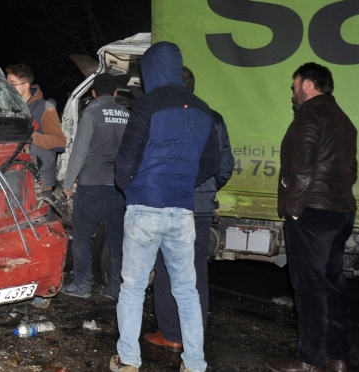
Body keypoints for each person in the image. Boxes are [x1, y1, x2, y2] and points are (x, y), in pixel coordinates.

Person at [110, 42, 220, 372]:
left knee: (132, 287)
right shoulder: (203, 109)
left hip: (145, 206)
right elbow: (212, 162)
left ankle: (129, 360)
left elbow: (126, 159)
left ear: (151, 69)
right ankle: (195, 363)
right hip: (182, 210)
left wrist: (132, 185)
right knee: (187, 290)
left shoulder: (147, 105)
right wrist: (183, 181)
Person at [265, 63, 357, 372]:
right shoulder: (343, 120)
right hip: (341, 211)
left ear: (306, 83)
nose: (292, 92)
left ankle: (308, 360)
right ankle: (338, 357)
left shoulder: (309, 115)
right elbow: (350, 170)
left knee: (309, 287)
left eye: (294, 86)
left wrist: (293, 210)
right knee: (333, 285)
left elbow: (302, 167)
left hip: (312, 211)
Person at [144, 66, 234, 352]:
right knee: (197, 272)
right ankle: (194, 336)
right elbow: (225, 165)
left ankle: (171, 334)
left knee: (167, 269)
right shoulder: (213, 117)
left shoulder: (162, 117)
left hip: (170, 204)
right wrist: (206, 189)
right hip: (201, 206)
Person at [60, 72, 128, 301]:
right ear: (116, 93)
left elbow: (79, 152)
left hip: (92, 185)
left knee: (80, 238)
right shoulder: (127, 115)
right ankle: (115, 288)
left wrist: (68, 183)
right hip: (119, 188)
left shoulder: (91, 113)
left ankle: (82, 285)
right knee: (117, 239)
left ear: (93, 92)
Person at [6, 64, 66, 191]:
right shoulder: (7, 110)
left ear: (26, 85)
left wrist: (30, 135)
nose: (7, 88)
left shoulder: (44, 108)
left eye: (12, 84)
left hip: (39, 180)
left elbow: (60, 143)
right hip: (13, 177)